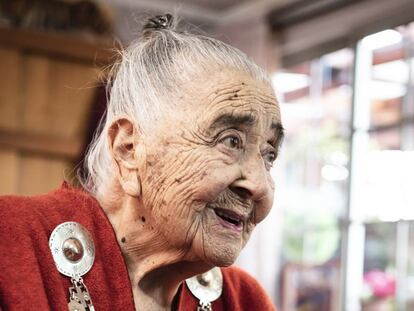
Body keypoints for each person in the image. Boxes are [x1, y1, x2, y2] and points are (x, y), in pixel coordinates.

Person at [0, 14, 284, 311]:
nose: (259, 186)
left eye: (269, 155)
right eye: (231, 141)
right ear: (129, 149)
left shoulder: (242, 300)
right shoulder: (12, 244)